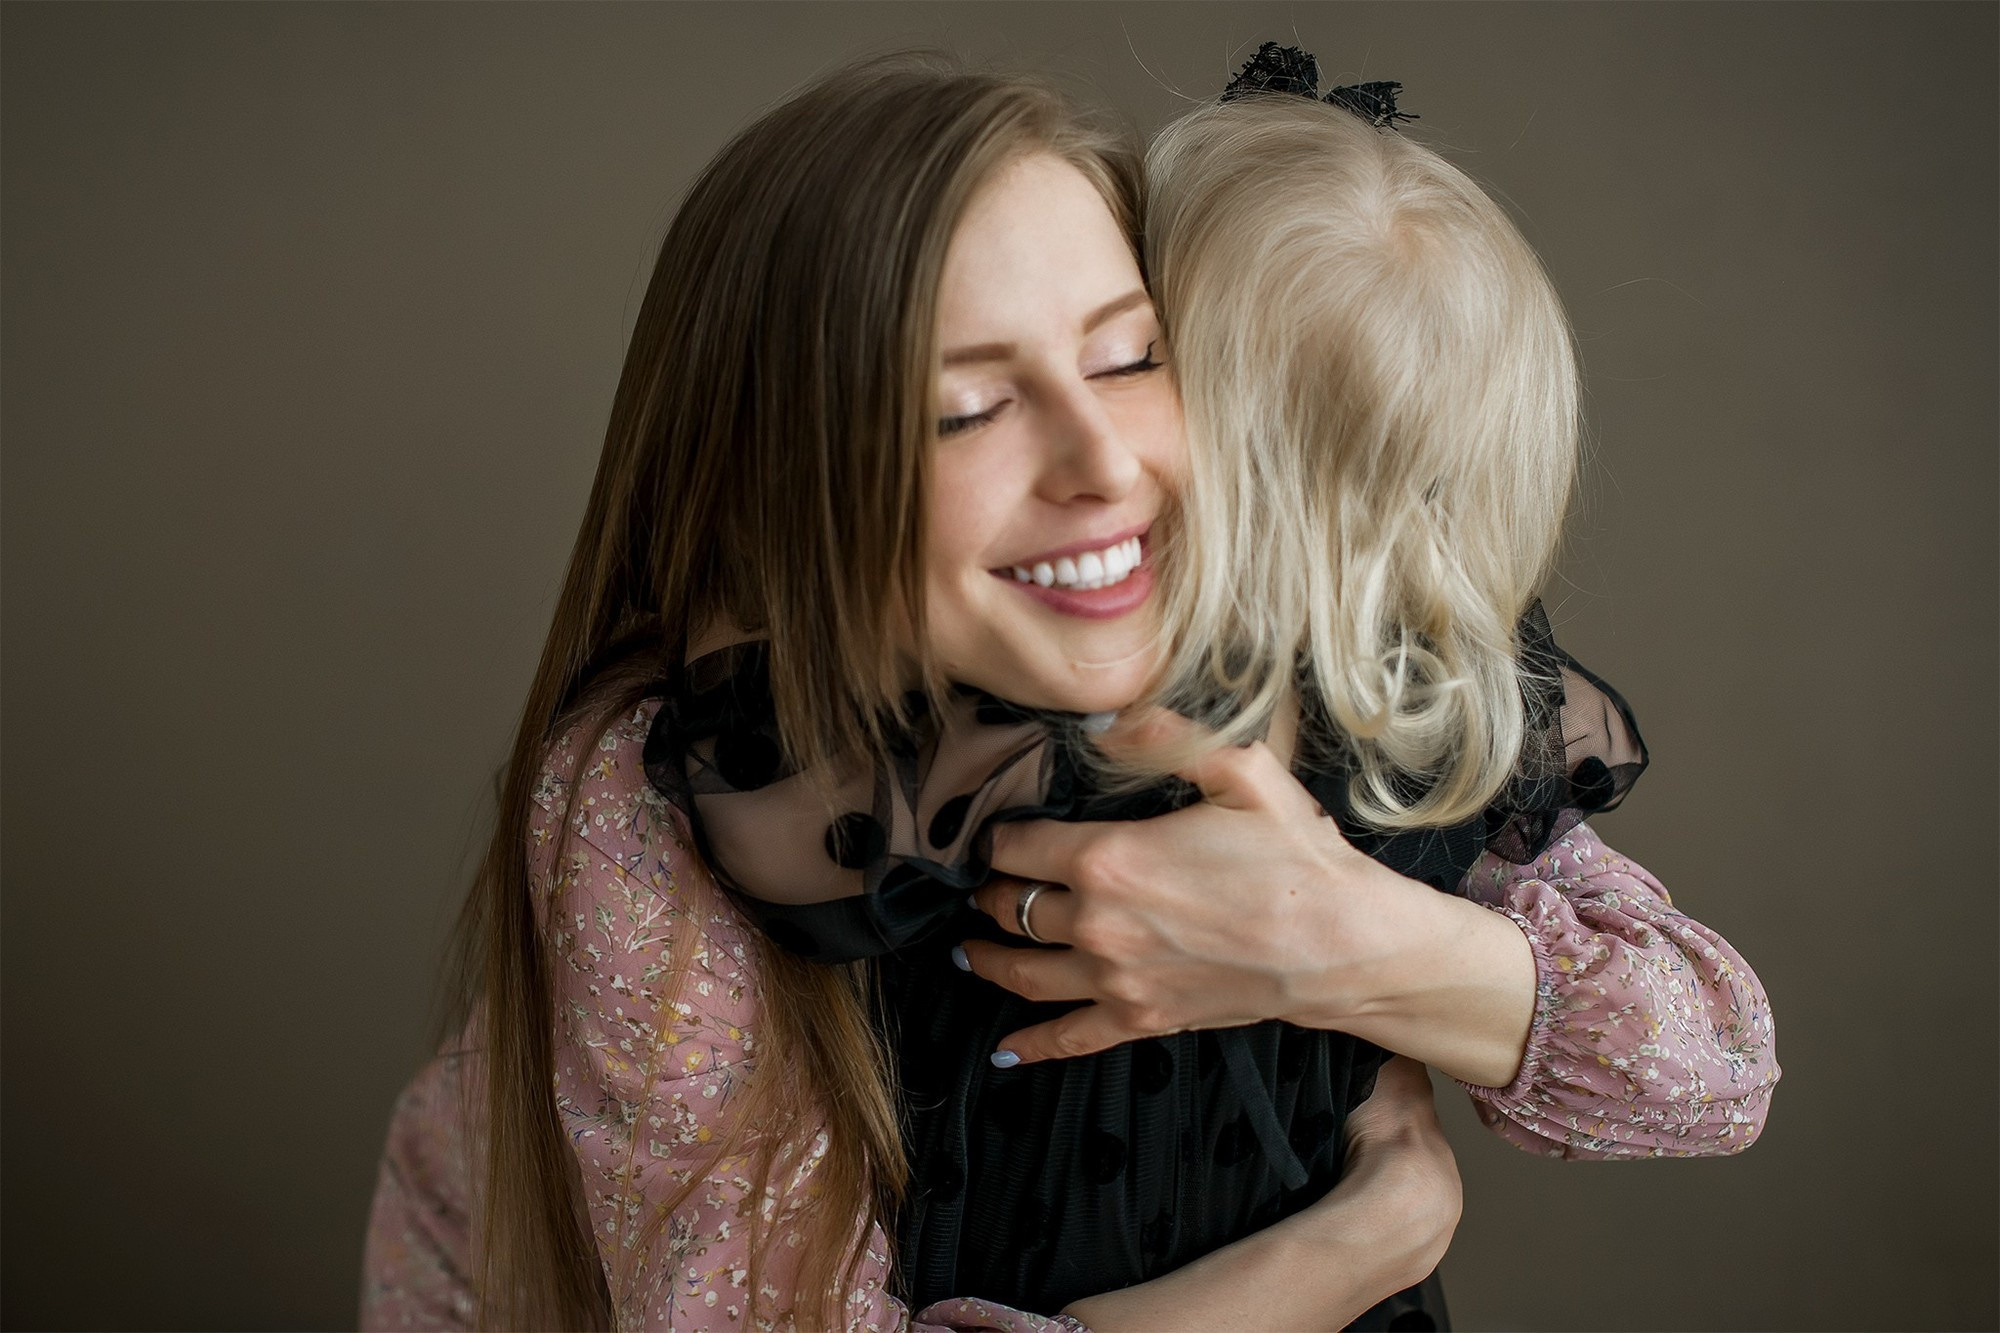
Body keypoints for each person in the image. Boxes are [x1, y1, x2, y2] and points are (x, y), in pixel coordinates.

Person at [362, 48, 1779, 1331]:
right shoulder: (722, 785)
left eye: (1130, 354)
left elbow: (1714, 1066)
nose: (1100, 459)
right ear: (789, 477)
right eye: (968, 405)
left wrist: (1339, 932)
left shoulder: (1322, 658)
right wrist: (1346, 1252)